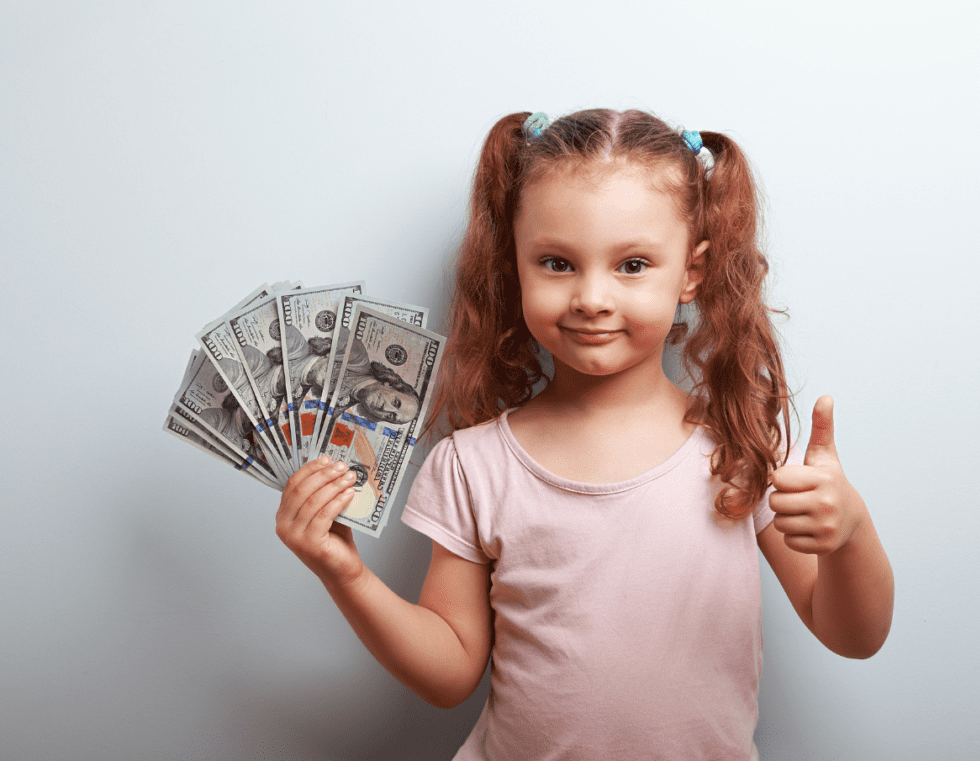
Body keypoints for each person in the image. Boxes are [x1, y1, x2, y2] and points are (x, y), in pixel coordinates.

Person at [274, 109, 894, 760]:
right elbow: (451, 671)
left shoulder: (739, 449)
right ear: (515, 265)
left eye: (631, 264)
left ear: (691, 271)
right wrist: (344, 572)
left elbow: (854, 633)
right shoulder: (472, 464)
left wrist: (850, 533)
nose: (592, 297)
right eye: (557, 262)